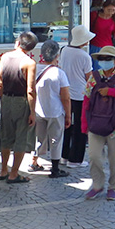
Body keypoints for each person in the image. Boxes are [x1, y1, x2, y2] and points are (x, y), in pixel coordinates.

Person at [82, 46, 115, 200]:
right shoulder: (94, 76)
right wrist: (84, 125)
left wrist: (112, 92)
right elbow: (86, 100)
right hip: (96, 123)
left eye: (108, 59)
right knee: (94, 157)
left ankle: (113, 186)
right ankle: (97, 185)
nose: (104, 62)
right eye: (102, 59)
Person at [0, 31, 38, 184]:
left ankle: (3, 170)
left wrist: (3, 100)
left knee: (6, 137)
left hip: (7, 99)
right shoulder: (29, 62)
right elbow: (30, 90)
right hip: (21, 102)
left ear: (18, 42)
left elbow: (0, 82)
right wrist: (32, 112)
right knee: (21, 137)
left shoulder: (5, 57)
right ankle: (14, 173)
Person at [29, 40, 71, 178]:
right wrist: (68, 115)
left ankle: (34, 162)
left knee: (39, 138)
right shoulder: (59, 73)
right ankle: (55, 169)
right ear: (56, 55)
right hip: (55, 111)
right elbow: (65, 98)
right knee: (56, 139)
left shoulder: (35, 70)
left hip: (39, 110)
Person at [59, 25, 95, 168]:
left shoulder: (64, 50)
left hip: (65, 92)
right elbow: (89, 77)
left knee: (67, 124)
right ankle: (75, 159)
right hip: (80, 94)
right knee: (81, 127)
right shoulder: (84, 56)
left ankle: (64, 155)